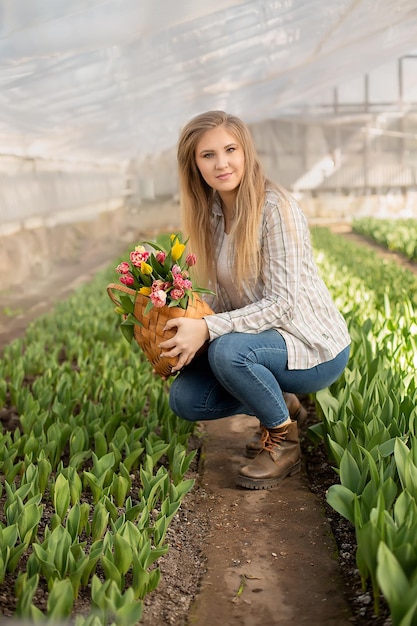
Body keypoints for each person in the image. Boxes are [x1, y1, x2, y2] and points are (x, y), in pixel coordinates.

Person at [159, 110, 351, 490]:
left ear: (246, 152)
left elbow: (282, 303)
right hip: (258, 344)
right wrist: (183, 333)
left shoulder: (276, 208)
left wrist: (208, 329)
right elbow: (223, 301)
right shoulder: (210, 215)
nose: (222, 163)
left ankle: (284, 441)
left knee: (228, 352)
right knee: (186, 399)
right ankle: (282, 404)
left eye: (230, 149)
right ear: (194, 164)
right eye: (207, 155)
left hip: (310, 346)